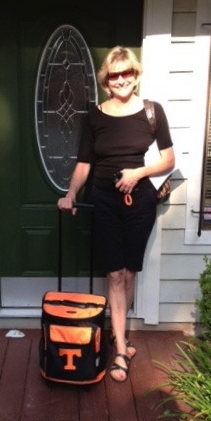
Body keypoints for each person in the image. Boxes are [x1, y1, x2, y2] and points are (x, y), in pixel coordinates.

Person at [57, 46, 175, 383]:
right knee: (113, 274)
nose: (121, 79)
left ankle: (118, 333)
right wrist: (70, 194)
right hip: (105, 201)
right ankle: (121, 349)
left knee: (129, 272)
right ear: (106, 81)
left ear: (136, 76)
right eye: (114, 75)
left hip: (140, 201)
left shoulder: (153, 112)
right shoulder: (95, 116)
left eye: (127, 73)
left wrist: (137, 174)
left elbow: (168, 160)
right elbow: (84, 163)